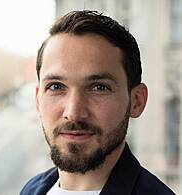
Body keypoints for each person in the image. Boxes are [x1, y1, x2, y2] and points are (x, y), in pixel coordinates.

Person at [20, 10, 176, 195]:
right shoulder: (32, 189)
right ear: (38, 100)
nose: (74, 112)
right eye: (56, 87)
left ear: (137, 101)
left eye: (99, 87)